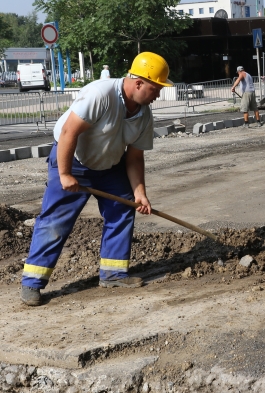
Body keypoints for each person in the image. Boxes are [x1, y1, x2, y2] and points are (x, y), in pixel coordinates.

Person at [20, 52, 171, 306]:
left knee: (124, 207)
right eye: (156, 89)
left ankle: (113, 274)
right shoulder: (101, 94)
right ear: (138, 83)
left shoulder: (144, 115)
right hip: (73, 160)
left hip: (110, 167)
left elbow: (134, 158)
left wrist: (139, 192)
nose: (158, 95)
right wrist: (65, 174)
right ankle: (32, 283)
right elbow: (69, 131)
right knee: (56, 220)